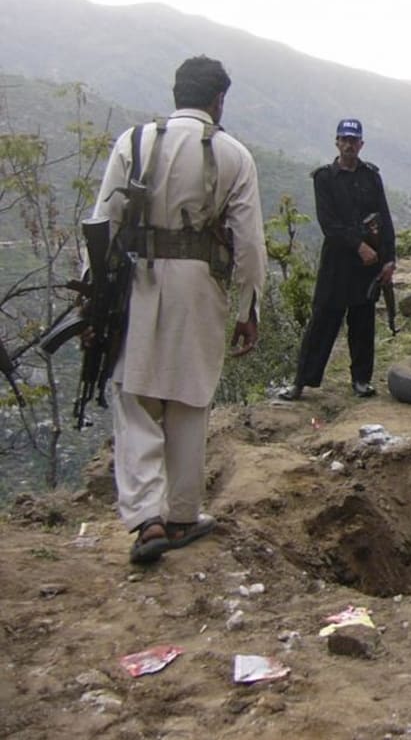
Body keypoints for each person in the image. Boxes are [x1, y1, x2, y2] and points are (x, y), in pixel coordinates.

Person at [87, 55, 267, 565]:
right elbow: (249, 242)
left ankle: (148, 519)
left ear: (176, 93)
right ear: (218, 100)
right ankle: (184, 513)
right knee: (191, 395)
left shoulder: (135, 142)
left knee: (136, 392)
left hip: (137, 281)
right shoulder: (233, 155)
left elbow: (102, 222)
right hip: (200, 285)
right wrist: (248, 308)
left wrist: (95, 299)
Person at [279, 118, 396, 400]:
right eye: (344, 140)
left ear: (361, 144)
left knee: (363, 322)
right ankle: (301, 382)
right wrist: (358, 246)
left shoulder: (371, 176)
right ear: (336, 142)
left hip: (367, 265)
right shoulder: (324, 178)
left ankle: (361, 380)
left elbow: (385, 217)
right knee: (322, 321)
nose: (348, 145)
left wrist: (389, 259)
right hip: (337, 262)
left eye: (354, 140)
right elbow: (329, 225)